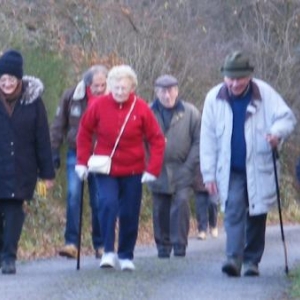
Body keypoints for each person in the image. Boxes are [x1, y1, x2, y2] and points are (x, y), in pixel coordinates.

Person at [200, 51, 296, 277]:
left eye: (239, 79)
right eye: (230, 79)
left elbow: (287, 118)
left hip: (259, 165)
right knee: (233, 209)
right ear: (224, 77)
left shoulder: (265, 93)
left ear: (249, 77)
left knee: (257, 212)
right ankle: (233, 258)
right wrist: (208, 174)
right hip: (230, 168)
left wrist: (276, 134)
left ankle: (252, 260)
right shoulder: (214, 98)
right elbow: (208, 138)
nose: (234, 84)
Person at [76, 65, 165, 271]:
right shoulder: (98, 105)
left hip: (133, 169)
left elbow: (157, 140)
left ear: (132, 87)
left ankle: (126, 254)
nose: (119, 91)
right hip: (105, 168)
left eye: (124, 88)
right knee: (106, 204)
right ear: (109, 86)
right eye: (115, 87)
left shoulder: (141, 108)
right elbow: (84, 133)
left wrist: (153, 169)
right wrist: (82, 161)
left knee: (129, 211)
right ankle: (107, 251)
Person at [0, 49, 55, 274]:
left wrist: (47, 173)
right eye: (2, 79)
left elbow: (42, 138)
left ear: (19, 79)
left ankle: (9, 257)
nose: (6, 83)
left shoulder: (33, 103)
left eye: (11, 79)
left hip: (23, 167)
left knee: (14, 211)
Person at [50, 65, 108, 259]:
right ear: (87, 83)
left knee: (99, 199)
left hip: (102, 156)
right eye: (95, 85)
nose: (99, 89)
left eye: (102, 85)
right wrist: (53, 151)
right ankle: (71, 243)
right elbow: (58, 125)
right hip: (76, 153)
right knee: (73, 195)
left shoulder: (112, 97)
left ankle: (101, 244)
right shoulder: (72, 96)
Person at [147, 74, 201, 258]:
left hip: (182, 167)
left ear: (177, 91)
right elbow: (139, 140)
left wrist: (189, 166)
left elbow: (199, 142)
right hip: (156, 168)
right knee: (160, 208)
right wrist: (148, 163)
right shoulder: (147, 112)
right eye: (163, 91)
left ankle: (180, 245)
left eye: (170, 90)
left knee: (181, 204)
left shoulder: (190, 112)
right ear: (156, 92)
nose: (167, 95)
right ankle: (163, 246)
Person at [193, 167, 218, 240]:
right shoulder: (195, 155)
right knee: (200, 207)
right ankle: (202, 230)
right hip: (199, 182)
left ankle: (213, 225)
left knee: (213, 203)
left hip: (213, 181)